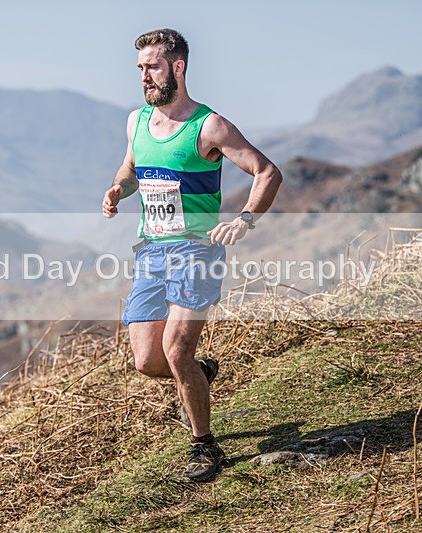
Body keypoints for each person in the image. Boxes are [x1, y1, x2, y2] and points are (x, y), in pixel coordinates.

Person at [102, 28, 282, 482]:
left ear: (177, 67)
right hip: (151, 253)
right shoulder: (137, 122)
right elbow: (132, 168)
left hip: (197, 252)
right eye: (140, 68)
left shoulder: (209, 126)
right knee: (148, 361)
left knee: (177, 351)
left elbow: (266, 172)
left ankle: (204, 446)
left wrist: (244, 220)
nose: (144, 76)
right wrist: (119, 190)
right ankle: (201, 375)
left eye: (153, 67)